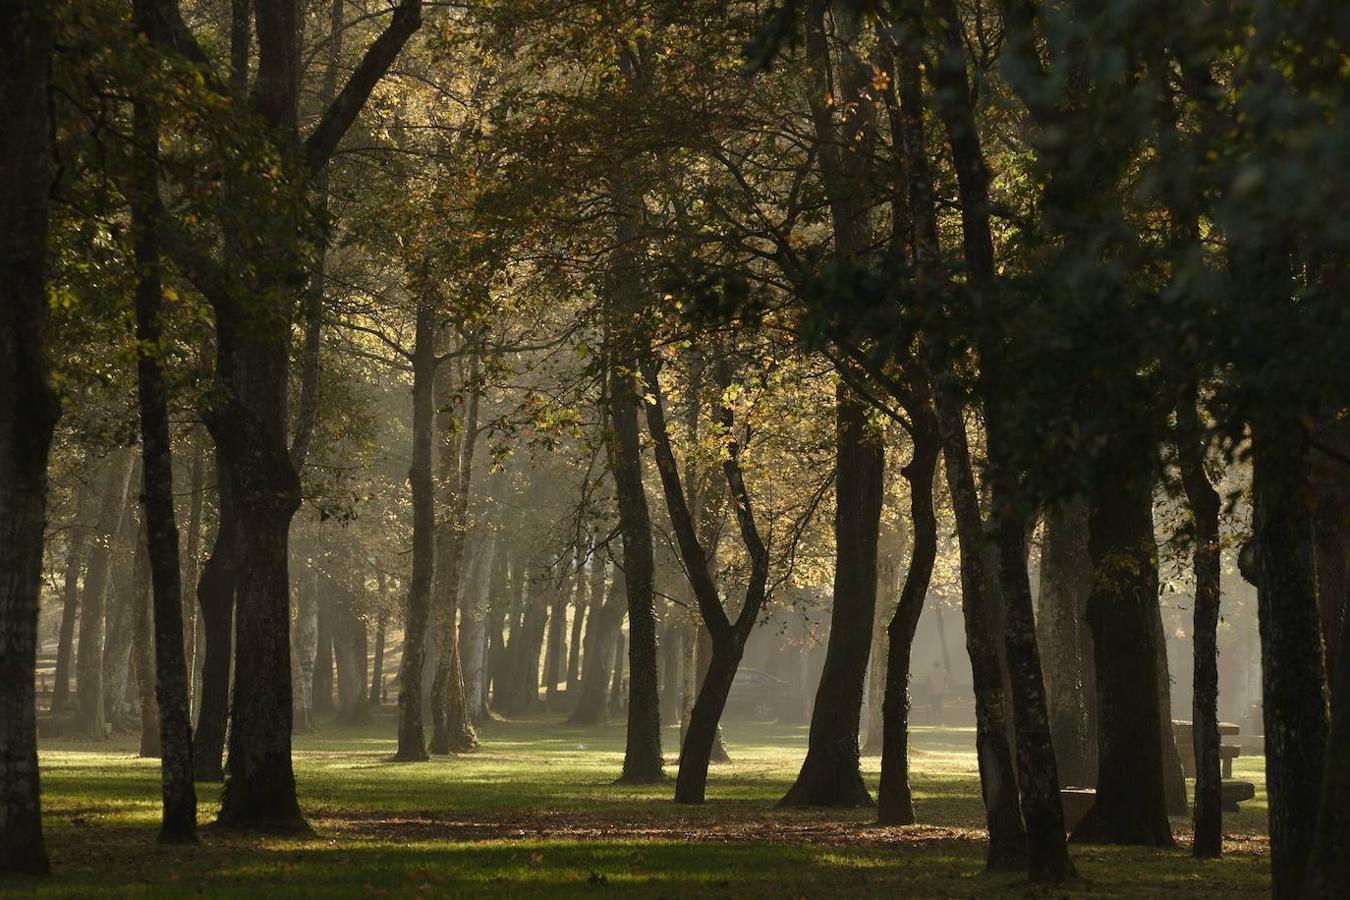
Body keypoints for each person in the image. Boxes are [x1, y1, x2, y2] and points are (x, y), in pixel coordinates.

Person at [927, 660, 948, 726]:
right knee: (940, 704)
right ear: (939, 665)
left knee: (933, 705)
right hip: (941, 691)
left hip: (932, 691)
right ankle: (940, 718)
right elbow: (946, 681)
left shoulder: (930, 672)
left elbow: (929, 682)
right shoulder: (944, 672)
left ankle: (934, 718)